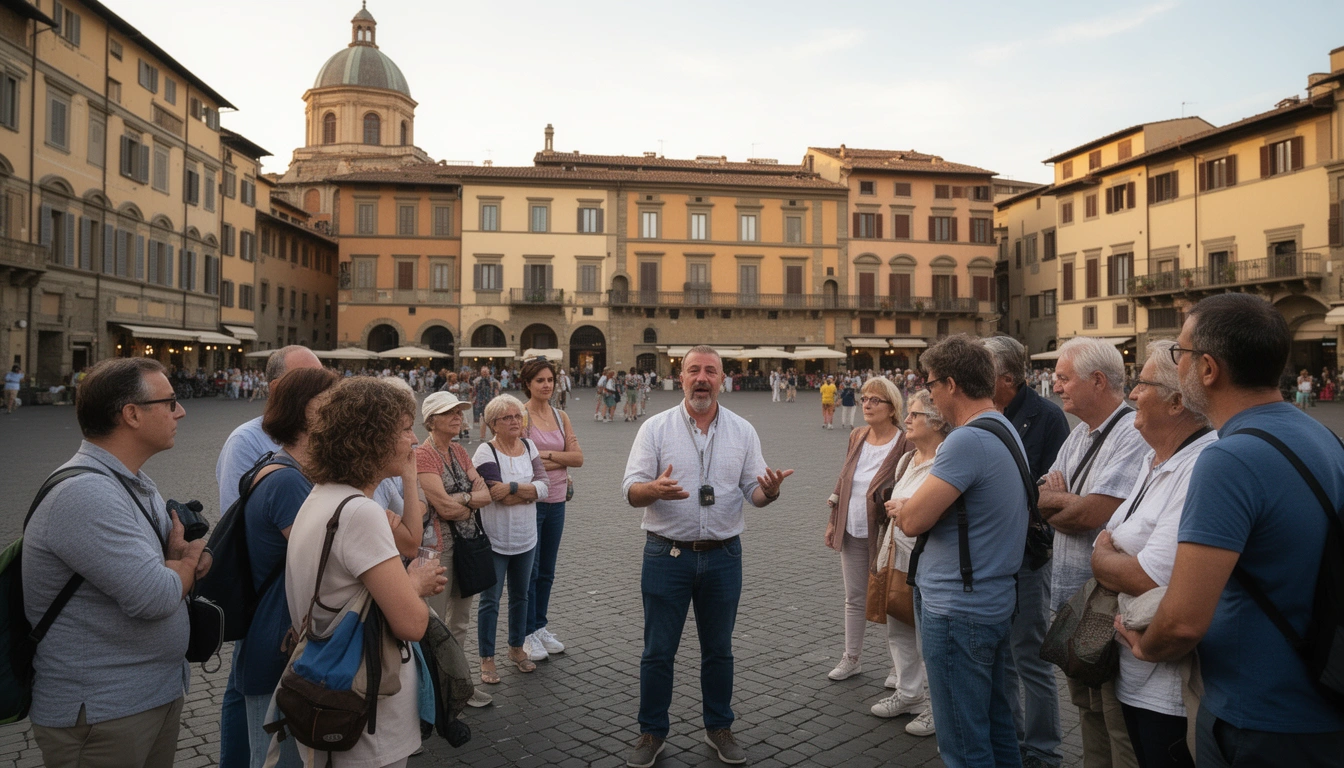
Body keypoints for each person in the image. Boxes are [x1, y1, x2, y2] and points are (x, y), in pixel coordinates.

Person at [1115, 294, 1344, 767]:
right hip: (1321, 700)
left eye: (1179, 354)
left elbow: (1181, 621)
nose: (1175, 365)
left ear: (1208, 370)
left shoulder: (1228, 459)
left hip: (1259, 717)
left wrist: (1146, 645)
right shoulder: (1321, 435)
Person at [23, 357, 207, 768]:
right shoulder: (86, 494)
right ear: (132, 415)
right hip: (103, 712)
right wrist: (190, 559)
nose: (181, 411)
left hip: (144, 697)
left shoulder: (132, 481)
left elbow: (168, 567)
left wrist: (179, 564)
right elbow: (156, 596)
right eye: (170, 401)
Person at [622, 345, 793, 767]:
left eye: (710, 371)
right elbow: (630, 489)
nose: (702, 378)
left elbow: (753, 494)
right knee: (657, 651)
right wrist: (652, 490)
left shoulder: (742, 431)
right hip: (666, 554)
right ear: (680, 378)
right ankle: (651, 732)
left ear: (722, 379)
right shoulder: (655, 428)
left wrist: (769, 492)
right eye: (693, 370)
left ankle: (719, 725)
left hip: (723, 557)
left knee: (719, 650)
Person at [285, 376, 445, 768]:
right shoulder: (360, 512)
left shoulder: (324, 494)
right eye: (405, 430)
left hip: (331, 684)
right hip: (367, 704)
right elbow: (411, 624)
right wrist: (414, 584)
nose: (413, 441)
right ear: (371, 437)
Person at [889, 335, 1028, 768]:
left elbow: (913, 520)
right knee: (997, 726)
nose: (928, 393)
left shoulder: (964, 441)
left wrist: (905, 507)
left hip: (957, 609)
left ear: (951, 384)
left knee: (963, 745)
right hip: (992, 599)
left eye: (930, 384)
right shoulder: (1003, 426)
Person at [1090, 341, 1214, 768]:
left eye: (1142, 383)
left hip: (1167, 689)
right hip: (1133, 671)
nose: (1132, 394)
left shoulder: (1199, 464)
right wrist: (1108, 550)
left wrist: (1102, 559)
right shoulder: (1156, 458)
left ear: (1178, 401)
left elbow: (1149, 576)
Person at [218, 367, 339, 768]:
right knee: (276, 759)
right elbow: (329, 563)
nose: (344, 409)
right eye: (334, 400)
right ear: (309, 412)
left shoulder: (285, 467)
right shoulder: (287, 482)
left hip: (278, 638)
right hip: (278, 644)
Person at [1039, 337, 1148, 768]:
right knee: (1086, 709)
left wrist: (1064, 505)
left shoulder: (1131, 433)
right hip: (1074, 600)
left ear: (1098, 380)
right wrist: (1065, 505)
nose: (1056, 385)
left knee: (1114, 717)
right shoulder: (1080, 433)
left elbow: (1092, 514)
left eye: (1064, 377)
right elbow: (1044, 499)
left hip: (1107, 607)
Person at [984, 336, 1071, 768]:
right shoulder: (981, 413)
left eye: (985, 370)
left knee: (1031, 656)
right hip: (988, 557)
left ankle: (1043, 751)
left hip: (1027, 557)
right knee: (1003, 659)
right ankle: (1011, 742)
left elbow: (1052, 489)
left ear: (1010, 378)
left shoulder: (1047, 418)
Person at [869, 389, 950, 735]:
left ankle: (936, 706)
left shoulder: (945, 460)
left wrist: (906, 510)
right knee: (898, 627)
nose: (908, 420)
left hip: (927, 561)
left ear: (937, 421)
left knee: (926, 638)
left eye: (914, 415)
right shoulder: (908, 459)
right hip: (896, 554)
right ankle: (908, 692)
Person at [824, 376, 910, 684]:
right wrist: (834, 520)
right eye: (865, 399)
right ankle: (852, 658)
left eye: (875, 400)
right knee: (855, 596)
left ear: (891, 408)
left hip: (886, 533)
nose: (867, 405)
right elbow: (844, 477)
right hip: (852, 528)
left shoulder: (904, 442)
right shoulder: (857, 435)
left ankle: (898, 666)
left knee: (890, 598)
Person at [415, 391, 495, 708]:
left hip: (466, 544)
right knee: (433, 622)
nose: (458, 416)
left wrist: (460, 501)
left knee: (460, 620)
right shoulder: (423, 455)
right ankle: (432, 693)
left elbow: (486, 495)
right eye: (450, 412)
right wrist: (466, 501)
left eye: (460, 411)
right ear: (431, 420)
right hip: (435, 548)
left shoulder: (461, 451)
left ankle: (459, 685)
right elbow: (443, 508)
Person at [472, 394, 549, 685]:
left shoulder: (529, 446)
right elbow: (495, 495)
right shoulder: (484, 452)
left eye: (518, 416)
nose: (515, 421)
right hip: (495, 539)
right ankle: (486, 658)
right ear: (493, 423)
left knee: (521, 595)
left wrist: (516, 487)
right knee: (490, 600)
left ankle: (516, 649)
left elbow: (544, 486)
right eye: (507, 417)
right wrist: (527, 494)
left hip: (526, 537)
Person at [519, 360, 584, 662]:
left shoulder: (561, 416)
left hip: (557, 499)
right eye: (540, 380)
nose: (546, 385)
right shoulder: (520, 416)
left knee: (547, 570)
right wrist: (560, 458)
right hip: (531, 500)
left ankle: (540, 625)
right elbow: (521, 463)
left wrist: (543, 455)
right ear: (528, 384)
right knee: (529, 571)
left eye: (550, 380)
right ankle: (526, 632)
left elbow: (578, 458)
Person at [215, 346, 323, 513]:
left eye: (323, 379)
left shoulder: (330, 432)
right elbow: (234, 517)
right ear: (276, 387)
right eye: (307, 380)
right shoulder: (245, 441)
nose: (322, 389)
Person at [473, 365, 501, 442]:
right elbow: (475, 391)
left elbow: (497, 391)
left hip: (491, 402)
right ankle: (482, 436)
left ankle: (495, 435)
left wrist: (496, 400)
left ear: (489, 372)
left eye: (485, 372)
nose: (484, 373)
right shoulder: (477, 381)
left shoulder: (494, 381)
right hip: (482, 402)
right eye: (483, 372)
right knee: (483, 419)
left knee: (493, 419)